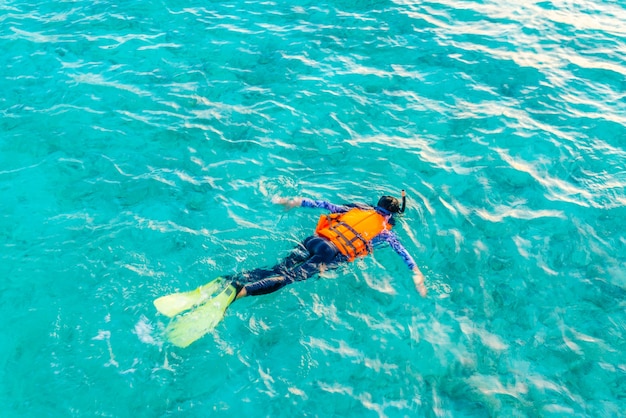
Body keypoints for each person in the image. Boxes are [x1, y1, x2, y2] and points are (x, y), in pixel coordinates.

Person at [229, 191, 427, 299]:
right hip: (330, 252)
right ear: (391, 215)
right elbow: (403, 253)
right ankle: (242, 292)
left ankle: (235, 279)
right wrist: (417, 273)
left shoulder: (355, 210)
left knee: (278, 268)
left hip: (315, 240)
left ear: (377, 205)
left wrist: (293, 201)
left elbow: (323, 204)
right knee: (288, 278)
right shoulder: (385, 232)